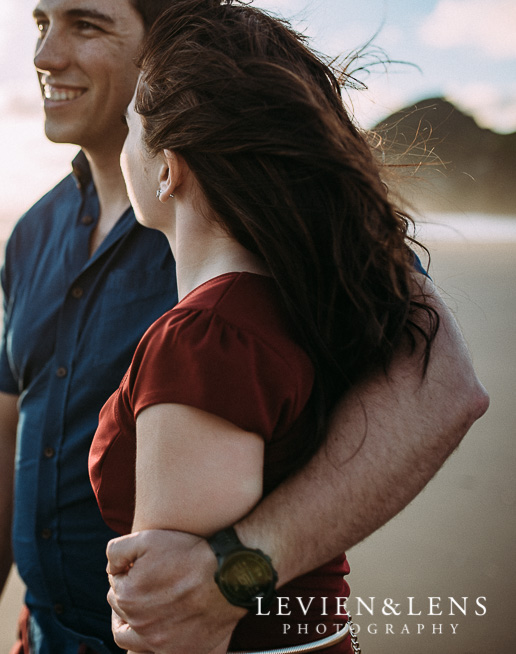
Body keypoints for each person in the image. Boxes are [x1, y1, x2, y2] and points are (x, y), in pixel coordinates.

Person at [0, 0, 489, 653]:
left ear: (162, 48)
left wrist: (236, 575)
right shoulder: (33, 233)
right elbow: (11, 420)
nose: (44, 55)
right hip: (42, 633)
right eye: (40, 23)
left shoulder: (265, 230)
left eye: (85, 24)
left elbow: (446, 383)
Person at [87, 1, 463, 652]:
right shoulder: (319, 300)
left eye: (129, 128)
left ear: (168, 167)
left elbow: (179, 630)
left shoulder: (204, 341)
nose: (124, 148)